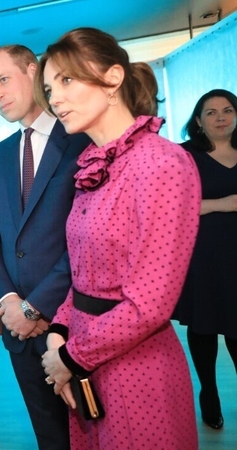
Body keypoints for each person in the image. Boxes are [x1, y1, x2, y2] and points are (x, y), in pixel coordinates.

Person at [36, 28, 200, 449]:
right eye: (50, 88)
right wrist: (58, 331)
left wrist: (69, 356)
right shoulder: (93, 167)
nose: (54, 98)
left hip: (138, 369)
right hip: (87, 365)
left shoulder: (162, 163)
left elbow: (150, 304)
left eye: (67, 80)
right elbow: (84, 277)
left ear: (112, 78)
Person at [0, 44, 90, 450]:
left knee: (91, 428)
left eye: (3, 80)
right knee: (50, 436)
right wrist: (9, 301)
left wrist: (34, 307)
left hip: (73, 320)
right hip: (17, 328)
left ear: (32, 69)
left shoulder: (78, 139)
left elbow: (85, 238)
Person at [174, 88, 237, 431]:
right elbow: (172, 207)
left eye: (227, 110)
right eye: (211, 113)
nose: (221, 117)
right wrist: (223, 204)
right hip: (202, 256)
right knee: (205, 326)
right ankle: (209, 394)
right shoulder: (184, 156)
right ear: (198, 121)